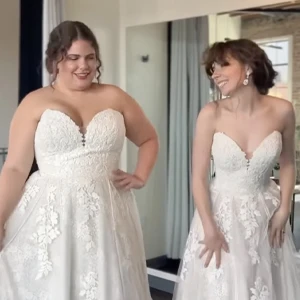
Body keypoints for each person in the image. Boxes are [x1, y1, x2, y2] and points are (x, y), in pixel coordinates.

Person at [0, 20, 158, 300]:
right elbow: (14, 168)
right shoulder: (34, 102)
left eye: (90, 57)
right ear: (55, 61)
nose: (83, 66)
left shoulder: (115, 96)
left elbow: (148, 139)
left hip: (108, 210)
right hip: (49, 212)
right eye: (73, 58)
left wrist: (141, 175)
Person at [173, 39, 300, 299]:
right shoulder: (211, 113)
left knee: (264, 285)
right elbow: (197, 177)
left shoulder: (283, 111)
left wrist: (284, 209)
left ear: (249, 67)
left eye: (224, 65)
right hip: (219, 215)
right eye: (212, 69)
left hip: (267, 216)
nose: (215, 73)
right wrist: (209, 228)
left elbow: (287, 164)